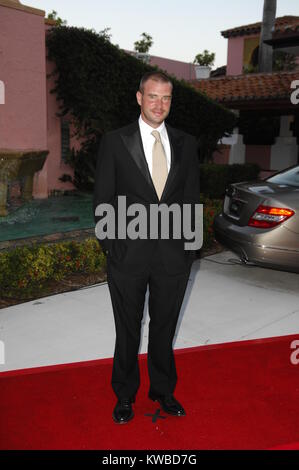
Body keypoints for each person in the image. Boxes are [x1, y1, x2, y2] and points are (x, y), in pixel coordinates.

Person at [93, 71, 200, 424]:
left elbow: (190, 198)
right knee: (128, 328)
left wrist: (190, 250)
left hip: (173, 257)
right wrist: (112, 247)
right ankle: (124, 395)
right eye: (153, 97)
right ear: (139, 98)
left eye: (166, 98)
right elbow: (103, 198)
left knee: (165, 326)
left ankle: (163, 390)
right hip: (128, 256)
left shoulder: (186, 143)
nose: (160, 104)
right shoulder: (114, 141)